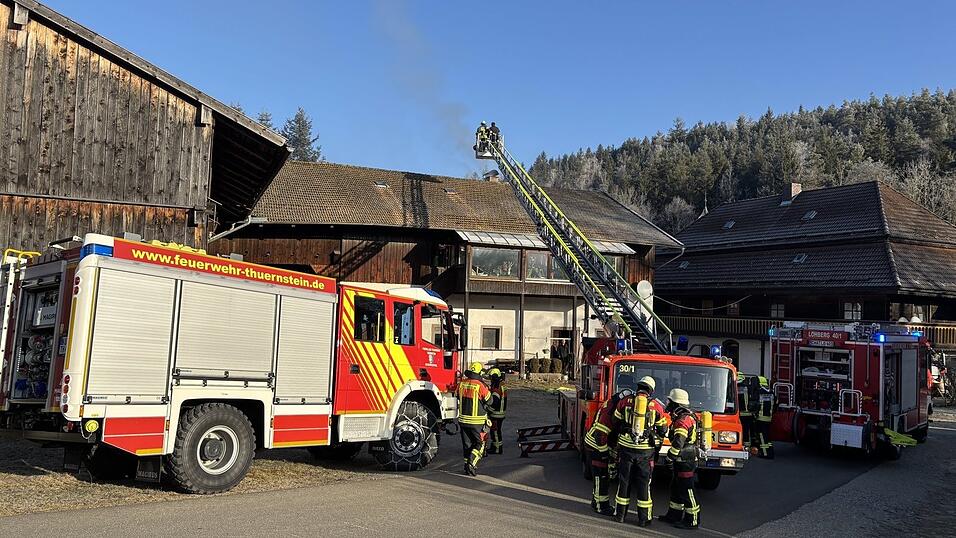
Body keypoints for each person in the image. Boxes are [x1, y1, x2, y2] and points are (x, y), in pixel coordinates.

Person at [611, 376, 667, 527]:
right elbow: (663, 429)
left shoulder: (625, 401)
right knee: (644, 485)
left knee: (624, 482)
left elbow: (615, 421)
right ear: (651, 390)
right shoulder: (656, 406)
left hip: (626, 449)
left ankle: (620, 515)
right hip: (645, 452)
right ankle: (644, 519)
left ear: (638, 387)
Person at [584, 387, 633, 516]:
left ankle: (596, 501)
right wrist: (605, 455)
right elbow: (601, 435)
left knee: (601, 476)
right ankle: (601, 506)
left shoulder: (611, 403)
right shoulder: (610, 411)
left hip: (598, 443)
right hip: (596, 444)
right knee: (601, 475)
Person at [658, 388, 701, 530]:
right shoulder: (684, 417)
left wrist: (669, 458)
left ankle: (692, 520)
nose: (667, 404)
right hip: (683, 459)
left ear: (676, 403)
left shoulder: (683, 420)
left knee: (687, 489)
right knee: (676, 487)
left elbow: (678, 443)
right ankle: (674, 515)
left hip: (685, 460)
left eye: (669, 401)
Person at [458, 362, 492, 476]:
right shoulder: (480, 385)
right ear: (479, 372)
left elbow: (457, 396)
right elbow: (490, 400)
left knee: (467, 445)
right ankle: (472, 463)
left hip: (463, 421)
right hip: (477, 422)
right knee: (480, 444)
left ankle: (466, 466)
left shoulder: (461, 383)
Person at [487, 368, 507, 455]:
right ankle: (496, 446)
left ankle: (497, 449)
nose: (490, 379)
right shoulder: (502, 384)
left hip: (496, 413)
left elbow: (495, 401)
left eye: (491, 377)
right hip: (500, 412)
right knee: (497, 431)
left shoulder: (497, 386)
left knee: (495, 431)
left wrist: (488, 410)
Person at [754, 376, 775, 459]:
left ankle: (765, 454)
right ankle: (770, 451)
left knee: (762, 436)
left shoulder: (759, 392)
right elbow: (776, 403)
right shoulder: (771, 392)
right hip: (769, 418)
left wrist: (755, 414)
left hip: (761, 418)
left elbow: (757, 404)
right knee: (767, 436)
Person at [737, 373, 754, 451]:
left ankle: (739, 445)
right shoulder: (748, 387)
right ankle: (747, 447)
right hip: (748, 414)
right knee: (747, 431)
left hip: (738, 414)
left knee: (739, 430)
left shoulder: (734, 387)